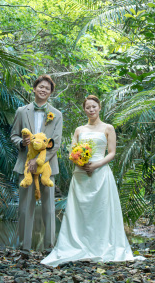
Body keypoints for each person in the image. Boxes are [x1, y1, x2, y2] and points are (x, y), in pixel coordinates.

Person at [41, 95, 143, 267]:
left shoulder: (108, 128)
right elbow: (72, 151)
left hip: (101, 174)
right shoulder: (79, 130)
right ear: (85, 110)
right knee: (81, 211)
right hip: (81, 174)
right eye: (88, 107)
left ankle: (102, 245)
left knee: (100, 210)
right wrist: (80, 162)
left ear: (99, 107)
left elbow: (111, 152)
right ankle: (77, 245)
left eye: (94, 106)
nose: (91, 109)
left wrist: (96, 165)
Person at [10, 75, 64, 250]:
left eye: (47, 88)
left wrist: (38, 161)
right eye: (40, 87)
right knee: (25, 208)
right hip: (25, 166)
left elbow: (55, 142)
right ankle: (24, 247)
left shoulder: (57, 115)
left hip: (47, 167)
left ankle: (49, 247)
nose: (43, 90)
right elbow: (14, 135)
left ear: (50, 93)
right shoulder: (21, 111)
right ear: (34, 89)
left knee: (49, 208)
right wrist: (21, 143)